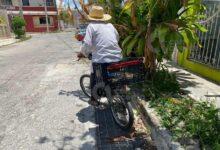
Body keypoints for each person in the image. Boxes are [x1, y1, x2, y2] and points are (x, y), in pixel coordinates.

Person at [77, 5, 122, 106]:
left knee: (94, 75)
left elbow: (87, 44)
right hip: (117, 58)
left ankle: (94, 99)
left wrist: (82, 53)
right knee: (112, 77)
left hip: (101, 60)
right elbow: (117, 38)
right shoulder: (110, 26)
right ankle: (113, 92)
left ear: (91, 17)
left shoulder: (91, 26)